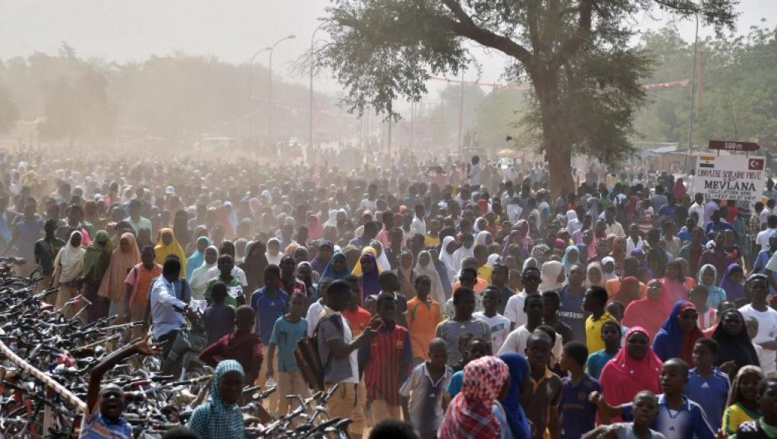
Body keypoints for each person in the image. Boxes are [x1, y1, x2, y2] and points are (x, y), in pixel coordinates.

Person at [593, 358, 716, 439]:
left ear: (685, 380)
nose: (665, 378)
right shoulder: (649, 403)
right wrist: (599, 400)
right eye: (663, 374)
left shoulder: (693, 410)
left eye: (672, 375)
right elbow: (611, 412)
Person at [319, 280, 378, 439]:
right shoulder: (327, 320)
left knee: (345, 425)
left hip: (348, 379)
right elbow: (338, 351)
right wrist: (363, 338)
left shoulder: (339, 318)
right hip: (338, 382)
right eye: (346, 298)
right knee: (334, 427)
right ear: (334, 296)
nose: (349, 301)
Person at [81, 336, 161, 438]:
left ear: (124, 403)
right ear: (98, 402)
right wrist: (133, 349)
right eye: (107, 395)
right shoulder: (92, 419)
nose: (112, 398)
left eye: (117, 395)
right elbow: (96, 373)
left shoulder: (126, 428)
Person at [359, 293, 412, 424]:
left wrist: (403, 388)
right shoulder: (370, 332)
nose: (389, 311)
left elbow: (406, 363)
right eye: (385, 308)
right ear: (378, 310)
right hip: (376, 389)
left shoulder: (403, 333)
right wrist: (359, 390)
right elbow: (361, 360)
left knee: (395, 427)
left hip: (395, 389)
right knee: (383, 426)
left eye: (391, 308)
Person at [438, 355, 512, 439]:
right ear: (489, 384)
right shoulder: (488, 421)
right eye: (503, 379)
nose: (508, 384)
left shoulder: (459, 400)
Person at [599, 327, 663, 422]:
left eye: (642, 342)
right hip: (618, 429)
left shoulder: (659, 368)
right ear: (625, 343)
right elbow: (605, 402)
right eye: (633, 341)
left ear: (649, 344)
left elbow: (663, 401)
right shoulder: (611, 368)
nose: (638, 345)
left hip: (651, 428)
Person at [399, 338, 453, 439]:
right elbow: (403, 394)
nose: (441, 359)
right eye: (436, 356)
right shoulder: (418, 372)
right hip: (416, 426)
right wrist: (406, 419)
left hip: (437, 427)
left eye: (444, 356)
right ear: (429, 355)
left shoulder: (449, 374)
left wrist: (447, 420)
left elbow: (447, 399)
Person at [266, 292, 308, 416]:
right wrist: (269, 366)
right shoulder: (280, 323)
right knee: (283, 400)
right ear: (289, 304)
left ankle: (295, 431)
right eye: (294, 303)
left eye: (300, 304)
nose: (296, 306)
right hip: (283, 368)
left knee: (298, 402)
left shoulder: (304, 323)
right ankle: (281, 429)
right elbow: (272, 344)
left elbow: (306, 346)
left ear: (304, 307)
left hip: (300, 369)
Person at [250, 264, 289, 388]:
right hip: (262, 342)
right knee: (260, 377)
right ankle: (258, 405)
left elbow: (286, 318)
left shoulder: (284, 297)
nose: (269, 281)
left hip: (278, 343)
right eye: (266, 278)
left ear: (278, 279)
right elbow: (252, 317)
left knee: (275, 379)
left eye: (272, 279)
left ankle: (273, 406)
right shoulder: (257, 296)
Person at [187, 360, 245, 439]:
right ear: (217, 383)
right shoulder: (203, 413)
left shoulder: (236, 412)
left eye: (237, 382)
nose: (233, 388)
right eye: (227, 383)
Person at [149, 258, 194, 357]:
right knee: (173, 354)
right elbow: (166, 299)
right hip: (165, 328)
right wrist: (185, 306)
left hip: (176, 326)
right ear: (176, 273)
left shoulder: (170, 283)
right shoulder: (160, 286)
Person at [435, 287, 491, 367]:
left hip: (477, 374)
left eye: (472, 302)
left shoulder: (483, 326)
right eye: (466, 302)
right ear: (455, 303)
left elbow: (489, 355)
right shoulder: (442, 328)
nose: (470, 306)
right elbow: (438, 355)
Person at [684, 338, 730, 433]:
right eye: (695, 352)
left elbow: (727, 405)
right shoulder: (686, 377)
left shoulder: (723, 379)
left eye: (703, 353)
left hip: (715, 431)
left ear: (714, 356)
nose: (697, 356)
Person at [524, 331, 562, 439]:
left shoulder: (555, 381)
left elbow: (553, 419)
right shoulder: (515, 376)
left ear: (550, 354)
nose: (539, 355)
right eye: (534, 350)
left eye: (544, 351)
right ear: (526, 352)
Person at [581, 391, 666, 439]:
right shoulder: (619, 430)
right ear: (631, 410)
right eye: (640, 405)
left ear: (656, 414)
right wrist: (599, 429)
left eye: (650, 407)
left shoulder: (659, 437)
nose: (644, 409)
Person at [560, 341, 601, 439]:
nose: (559, 360)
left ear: (570, 360)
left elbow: (603, 414)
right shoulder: (562, 384)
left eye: (562, 356)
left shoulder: (593, 386)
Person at [739, 274, 777, 376]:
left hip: (770, 370)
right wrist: (763, 345)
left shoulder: (774, 315)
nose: (758, 290)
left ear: (767, 291)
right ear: (749, 290)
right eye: (755, 287)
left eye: (762, 287)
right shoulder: (741, 313)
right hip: (747, 370)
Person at [98, 232, 141, 321]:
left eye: (126, 244)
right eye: (121, 243)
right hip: (116, 294)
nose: (123, 246)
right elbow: (110, 272)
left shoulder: (136, 257)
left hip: (129, 295)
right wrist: (103, 290)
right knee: (113, 319)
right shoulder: (115, 254)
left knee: (125, 321)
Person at [406, 275, 443, 365]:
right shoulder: (410, 305)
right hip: (416, 345)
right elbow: (406, 325)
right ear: (416, 286)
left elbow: (440, 326)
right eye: (423, 284)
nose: (426, 287)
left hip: (432, 346)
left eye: (428, 285)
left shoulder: (436, 305)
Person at [712, 309, 760, 377]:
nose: (732, 324)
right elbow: (704, 370)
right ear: (721, 322)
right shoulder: (712, 346)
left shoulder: (747, 347)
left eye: (737, 321)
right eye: (728, 321)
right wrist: (720, 370)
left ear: (742, 325)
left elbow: (756, 371)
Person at [723, 366, 766, 435]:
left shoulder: (770, 409)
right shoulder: (733, 411)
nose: (750, 386)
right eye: (745, 383)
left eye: (755, 383)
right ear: (738, 386)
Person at [52, 230, 85, 317]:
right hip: (64, 284)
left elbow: (84, 270)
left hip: (76, 286)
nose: (76, 241)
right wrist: (55, 284)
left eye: (78, 239)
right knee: (66, 308)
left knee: (76, 309)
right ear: (70, 239)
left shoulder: (83, 253)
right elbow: (57, 267)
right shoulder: (63, 251)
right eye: (74, 239)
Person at [474, 287, 511, 353]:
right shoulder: (474, 318)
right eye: (486, 297)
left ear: (499, 301)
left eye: (492, 298)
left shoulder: (505, 322)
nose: (488, 300)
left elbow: (506, 345)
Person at [34, 219, 65, 297]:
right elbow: (37, 259)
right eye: (47, 225)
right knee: (41, 298)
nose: (48, 227)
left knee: (53, 298)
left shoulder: (61, 243)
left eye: (51, 226)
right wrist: (39, 269)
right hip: (44, 275)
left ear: (55, 227)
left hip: (56, 275)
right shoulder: (39, 243)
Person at [584, 286, 618, 354]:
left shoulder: (610, 322)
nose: (583, 300)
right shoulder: (588, 320)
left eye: (586, 298)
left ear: (596, 301)